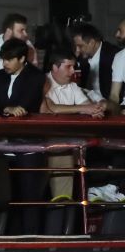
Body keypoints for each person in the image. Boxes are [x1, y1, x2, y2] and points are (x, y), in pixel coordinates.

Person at [0, 38, 47, 233]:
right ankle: (4, 236)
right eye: (3, 59)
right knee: (3, 195)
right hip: (1, 145)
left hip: (28, 145)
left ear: (22, 59)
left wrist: (11, 109)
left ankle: (31, 238)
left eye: (9, 59)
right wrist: (7, 108)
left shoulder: (36, 77)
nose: (4, 63)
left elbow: (27, 104)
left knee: (30, 196)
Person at [44, 48, 106, 202]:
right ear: (54, 67)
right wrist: (86, 108)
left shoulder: (72, 86)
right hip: (49, 140)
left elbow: (87, 105)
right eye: (68, 67)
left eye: (74, 66)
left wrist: (96, 110)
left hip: (73, 140)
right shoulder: (42, 83)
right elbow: (52, 109)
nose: (73, 71)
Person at [70, 21, 119, 102]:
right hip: (86, 105)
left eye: (80, 46)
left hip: (110, 106)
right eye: (76, 46)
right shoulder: (80, 58)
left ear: (92, 43)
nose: (77, 50)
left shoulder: (114, 56)